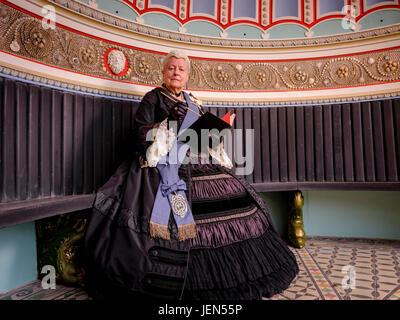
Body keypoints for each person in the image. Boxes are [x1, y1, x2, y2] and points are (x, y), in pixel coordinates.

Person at [84, 50, 299, 300]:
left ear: (187, 75)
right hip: (163, 163)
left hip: (197, 160)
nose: (176, 72)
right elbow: (139, 136)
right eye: (172, 68)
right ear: (163, 72)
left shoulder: (194, 101)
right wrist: (166, 122)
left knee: (232, 186)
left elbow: (201, 138)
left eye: (181, 69)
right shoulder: (152, 99)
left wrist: (218, 130)